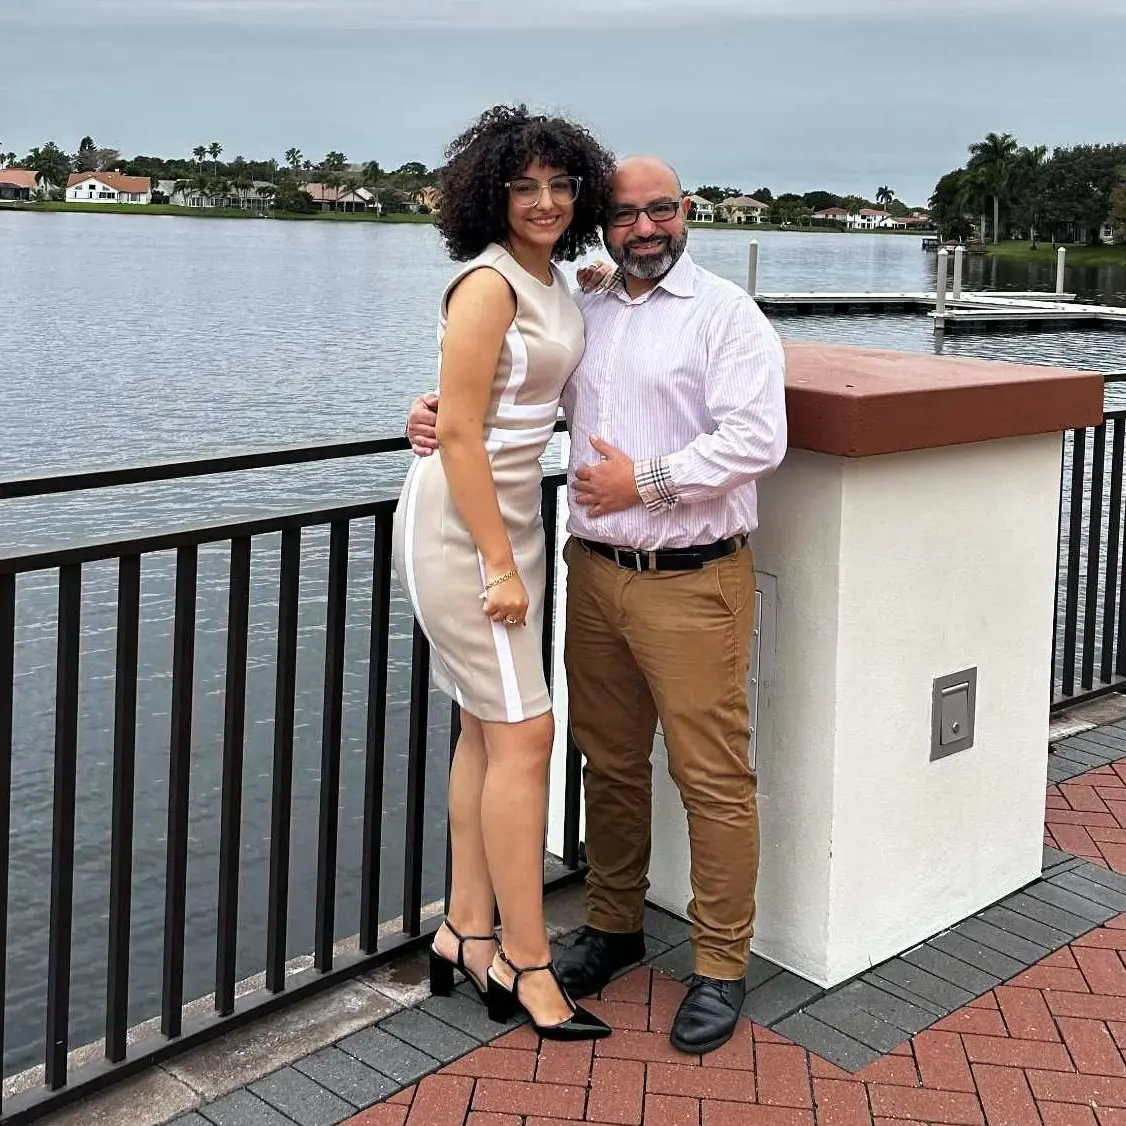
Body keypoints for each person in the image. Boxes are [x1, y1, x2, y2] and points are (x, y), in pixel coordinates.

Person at [407, 154, 787, 1054]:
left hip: (693, 578)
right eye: (625, 213)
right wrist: (437, 412)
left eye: (662, 209)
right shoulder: (589, 306)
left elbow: (758, 438)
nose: (645, 227)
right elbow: (512, 392)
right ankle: (614, 925)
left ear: (686, 211)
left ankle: (720, 963)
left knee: (712, 777)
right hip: (593, 571)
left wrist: (646, 481)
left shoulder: (725, 314)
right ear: (602, 224)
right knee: (608, 762)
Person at [392, 104, 616, 1041]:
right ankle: (528, 962)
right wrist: (497, 565)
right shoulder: (486, 285)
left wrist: (600, 283)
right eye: (524, 186)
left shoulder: (556, 282)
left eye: (561, 184)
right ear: (492, 195)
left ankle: (465, 930)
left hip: (510, 521)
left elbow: (504, 401)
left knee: (490, 734)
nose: (545, 201)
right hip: (464, 530)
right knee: (528, 734)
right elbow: (457, 433)